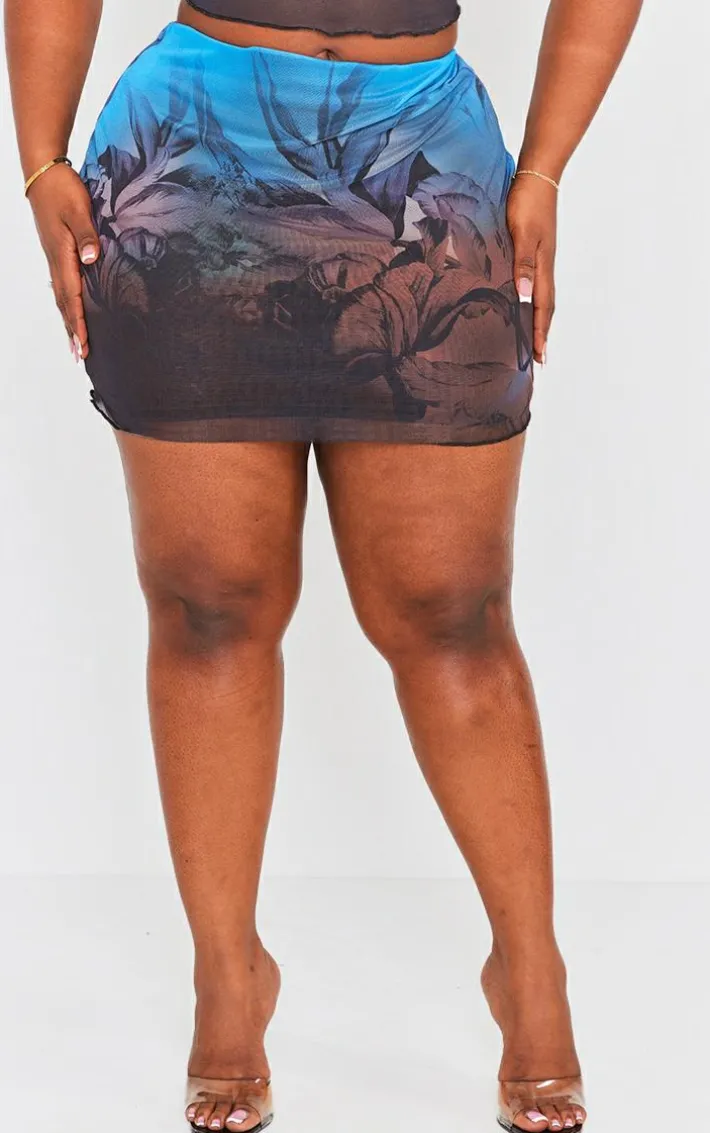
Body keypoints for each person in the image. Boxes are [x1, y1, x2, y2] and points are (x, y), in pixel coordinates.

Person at [6, 0, 642, 1128]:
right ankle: (226, 973)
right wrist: (41, 155)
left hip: (424, 172)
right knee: (209, 601)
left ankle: (529, 967)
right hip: (192, 160)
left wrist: (543, 168)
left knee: (451, 607)